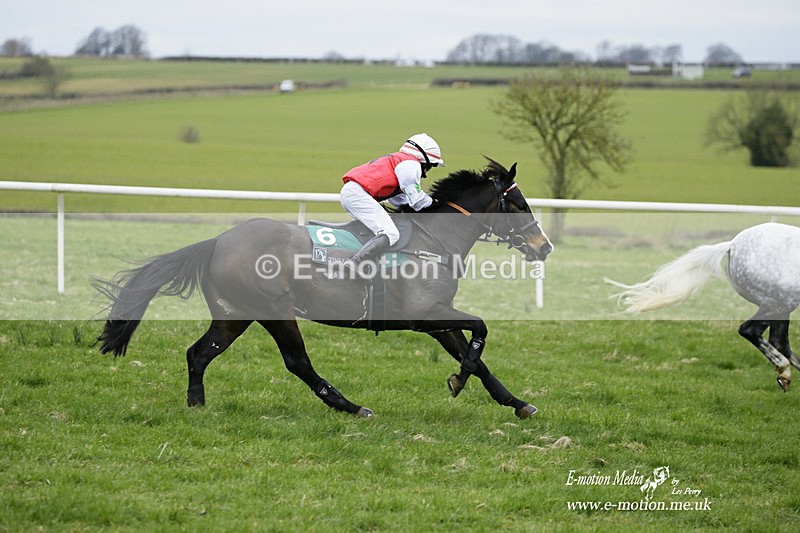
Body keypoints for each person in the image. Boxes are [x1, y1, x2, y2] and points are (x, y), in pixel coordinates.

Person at [339, 133, 445, 276]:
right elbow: (417, 200)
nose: (425, 173)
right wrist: (438, 205)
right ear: (423, 159)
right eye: (430, 166)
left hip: (353, 192)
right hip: (357, 194)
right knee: (390, 233)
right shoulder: (410, 164)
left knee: (373, 231)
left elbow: (400, 201)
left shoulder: (399, 161)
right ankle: (355, 262)